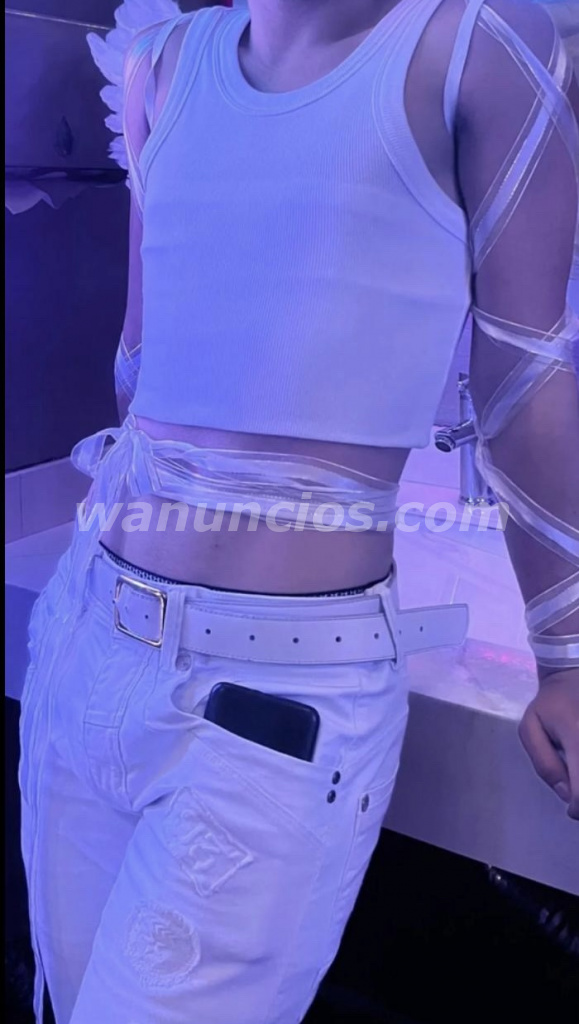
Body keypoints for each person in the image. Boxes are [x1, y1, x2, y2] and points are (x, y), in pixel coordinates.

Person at [19, 1, 579, 1022]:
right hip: (83, 637)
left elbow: (526, 383)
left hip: (270, 698)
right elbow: (140, 358)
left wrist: (568, 654)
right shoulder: (159, 63)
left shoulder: (477, 44)